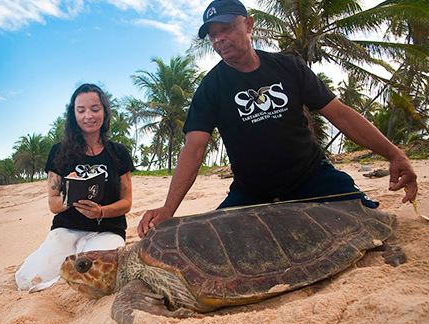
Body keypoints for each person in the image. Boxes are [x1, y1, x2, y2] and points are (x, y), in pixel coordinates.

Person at [137, 0, 418, 237]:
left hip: (312, 177)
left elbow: (341, 114)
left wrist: (394, 155)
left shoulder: (289, 67)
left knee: (371, 224)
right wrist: (168, 209)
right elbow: (194, 148)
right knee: (216, 242)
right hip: (252, 192)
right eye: (212, 35)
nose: (219, 39)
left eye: (226, 29)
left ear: (249, 25)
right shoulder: (211, 87)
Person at [16, 83, 134, 291]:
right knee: (28, 280)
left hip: (108, 230)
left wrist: (101, 211)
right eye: (81, 110)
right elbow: (53, 204)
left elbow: (126, 202)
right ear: (74, 115)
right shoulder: (59, 152)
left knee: (99, 278)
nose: (88, 115)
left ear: (105, 112)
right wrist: (68, 194)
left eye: (95, 109)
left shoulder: (119, 153)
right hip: (67, 229)